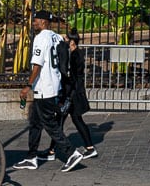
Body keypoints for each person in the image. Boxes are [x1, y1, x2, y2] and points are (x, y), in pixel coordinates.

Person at [14, 12, 84, 172]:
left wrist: (28, 86)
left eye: (36, 20)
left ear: (44, 22)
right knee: (35, 123)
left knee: (49, 124)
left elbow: (37, 65)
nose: (34, 22)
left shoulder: (41, 39)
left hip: (44, 87)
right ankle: (31, 157)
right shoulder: (57, 37)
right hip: (54, 85)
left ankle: (71, 153)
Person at [45, 31, 97, 162]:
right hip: (74, 92)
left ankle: (52, 151)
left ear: (72, 42)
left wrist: (67, 93)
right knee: (75, 120)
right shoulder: (76, 53)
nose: (65, 40)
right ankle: (89, 148)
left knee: (61, 121)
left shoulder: (75, 55)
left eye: (67, 38)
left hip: (72, 93)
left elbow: (73, 77)